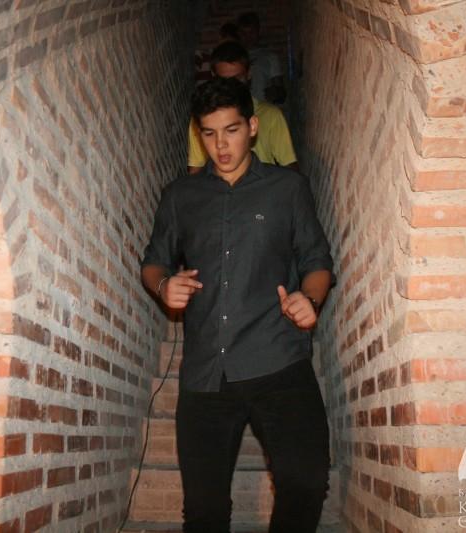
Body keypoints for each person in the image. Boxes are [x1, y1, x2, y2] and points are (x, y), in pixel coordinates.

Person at [141, 76, 334, 533]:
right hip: (207, 370)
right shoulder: (180, 196)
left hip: (278, 357)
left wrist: (310, 298)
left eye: (230, 130)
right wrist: (164, 285)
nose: (221, 145)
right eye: (209, 134)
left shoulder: (288, 189)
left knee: (306, 481)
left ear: (252, 126)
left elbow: (317, 260)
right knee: (204, 509)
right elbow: (153, 262)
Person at [188, 41, 297, 174]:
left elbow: (289, 166)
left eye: (237, 79)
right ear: (214, 77)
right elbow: (195, 170)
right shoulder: (203, 119)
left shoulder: (271, 115)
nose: (231, 86)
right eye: (224, 80)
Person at [237, 11, 286, 105]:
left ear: (258, 32)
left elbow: (281, 93)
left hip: (263, 109)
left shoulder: (270, 57)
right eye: (244, 33)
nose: (248, 37)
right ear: (239, 34)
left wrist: (276, 92)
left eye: (252, 32)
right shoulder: (233, 57)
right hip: (240, 111)